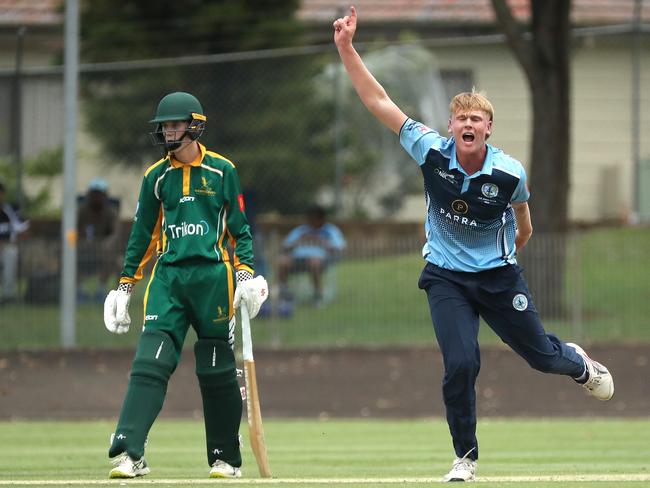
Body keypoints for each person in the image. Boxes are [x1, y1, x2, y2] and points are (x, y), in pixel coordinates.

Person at [334, 7, 613, 483]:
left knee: (543, 358)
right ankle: (465, 456)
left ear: (488, 129)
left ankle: (578, 362)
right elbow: (379, 101)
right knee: (461, 363)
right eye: (461, 116)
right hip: (446, 278)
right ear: (451, 125)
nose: (468, 123)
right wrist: (346, 47)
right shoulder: (430, 150)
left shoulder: (508, 172)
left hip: (499, 277)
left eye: (477, 118)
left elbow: (524, 221)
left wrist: (511, 252)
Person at [103, 92, 268, 479]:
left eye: (174, 125)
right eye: (164, 125)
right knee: (150, 361)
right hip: (169, 279)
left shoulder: (222, 170)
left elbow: (239, 229)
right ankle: (130, 452)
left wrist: (245, 273)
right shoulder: (155, 177)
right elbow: (142, 235)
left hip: (213, 277)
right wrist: (126, 285)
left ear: (194, 126)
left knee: (215, 368)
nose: (167, 131)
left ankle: (225, 456)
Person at [277, 204, 345, 308]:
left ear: (321, 218)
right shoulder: (301, 230)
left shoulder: (330, 230)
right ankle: (284, 294)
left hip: (321, 260)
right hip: (298, 259)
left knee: (314, 262)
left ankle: (317, 295)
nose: (310, 221)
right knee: (282, 262)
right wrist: (299, 241)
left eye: (314, 218)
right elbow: (285, 247)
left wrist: (320, 241)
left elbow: (339, 248)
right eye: (309, 218)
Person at [77, 178, 119, 302]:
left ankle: (101, 290)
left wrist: (108, 242)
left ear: (104, 196)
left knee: (111, 256)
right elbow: (73, 230)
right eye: (94, 194)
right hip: (84, 248)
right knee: (71, 255)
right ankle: (80, 291)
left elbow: (115, 233)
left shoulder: (111, 212)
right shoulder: (81, 211)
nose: (96, 198)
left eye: (99, 194)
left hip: (103, 249)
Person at [0, 181, 29, 303]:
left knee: (10, 253)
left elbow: (24, 230)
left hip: (8, 247)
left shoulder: (10, 210)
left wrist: (11, 242)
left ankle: (8, 295)